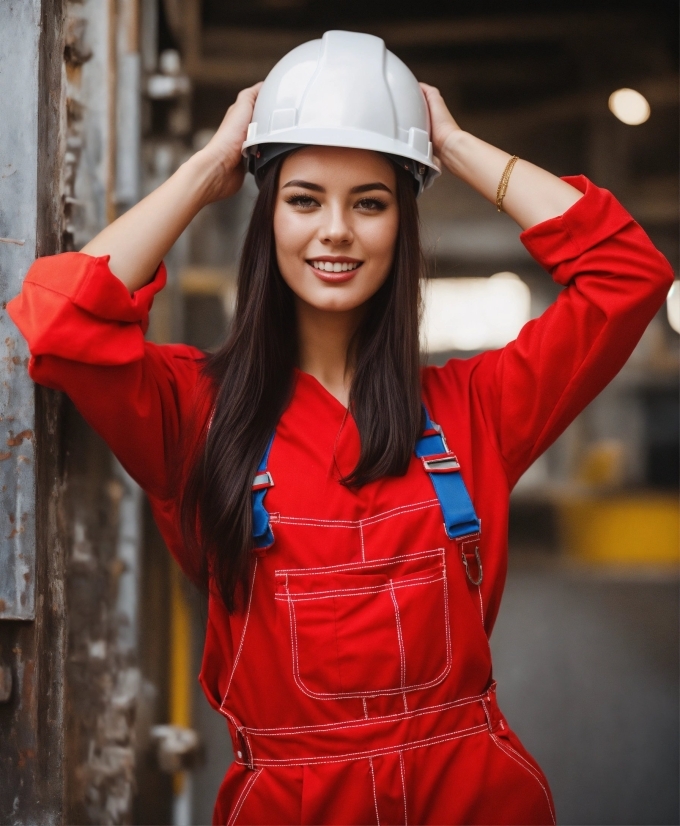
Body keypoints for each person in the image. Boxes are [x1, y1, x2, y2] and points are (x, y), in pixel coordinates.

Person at [8, 30, 672, 826]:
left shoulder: (476, 409)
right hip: (289, 806)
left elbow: (627, 276)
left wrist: (454, 148)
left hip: (473, 798)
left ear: (402, 223)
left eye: (371, 201)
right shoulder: (196, 413)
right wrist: (205, 171)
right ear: (268, 216)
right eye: (303, 198)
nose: (335, 230)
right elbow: (58, 322)